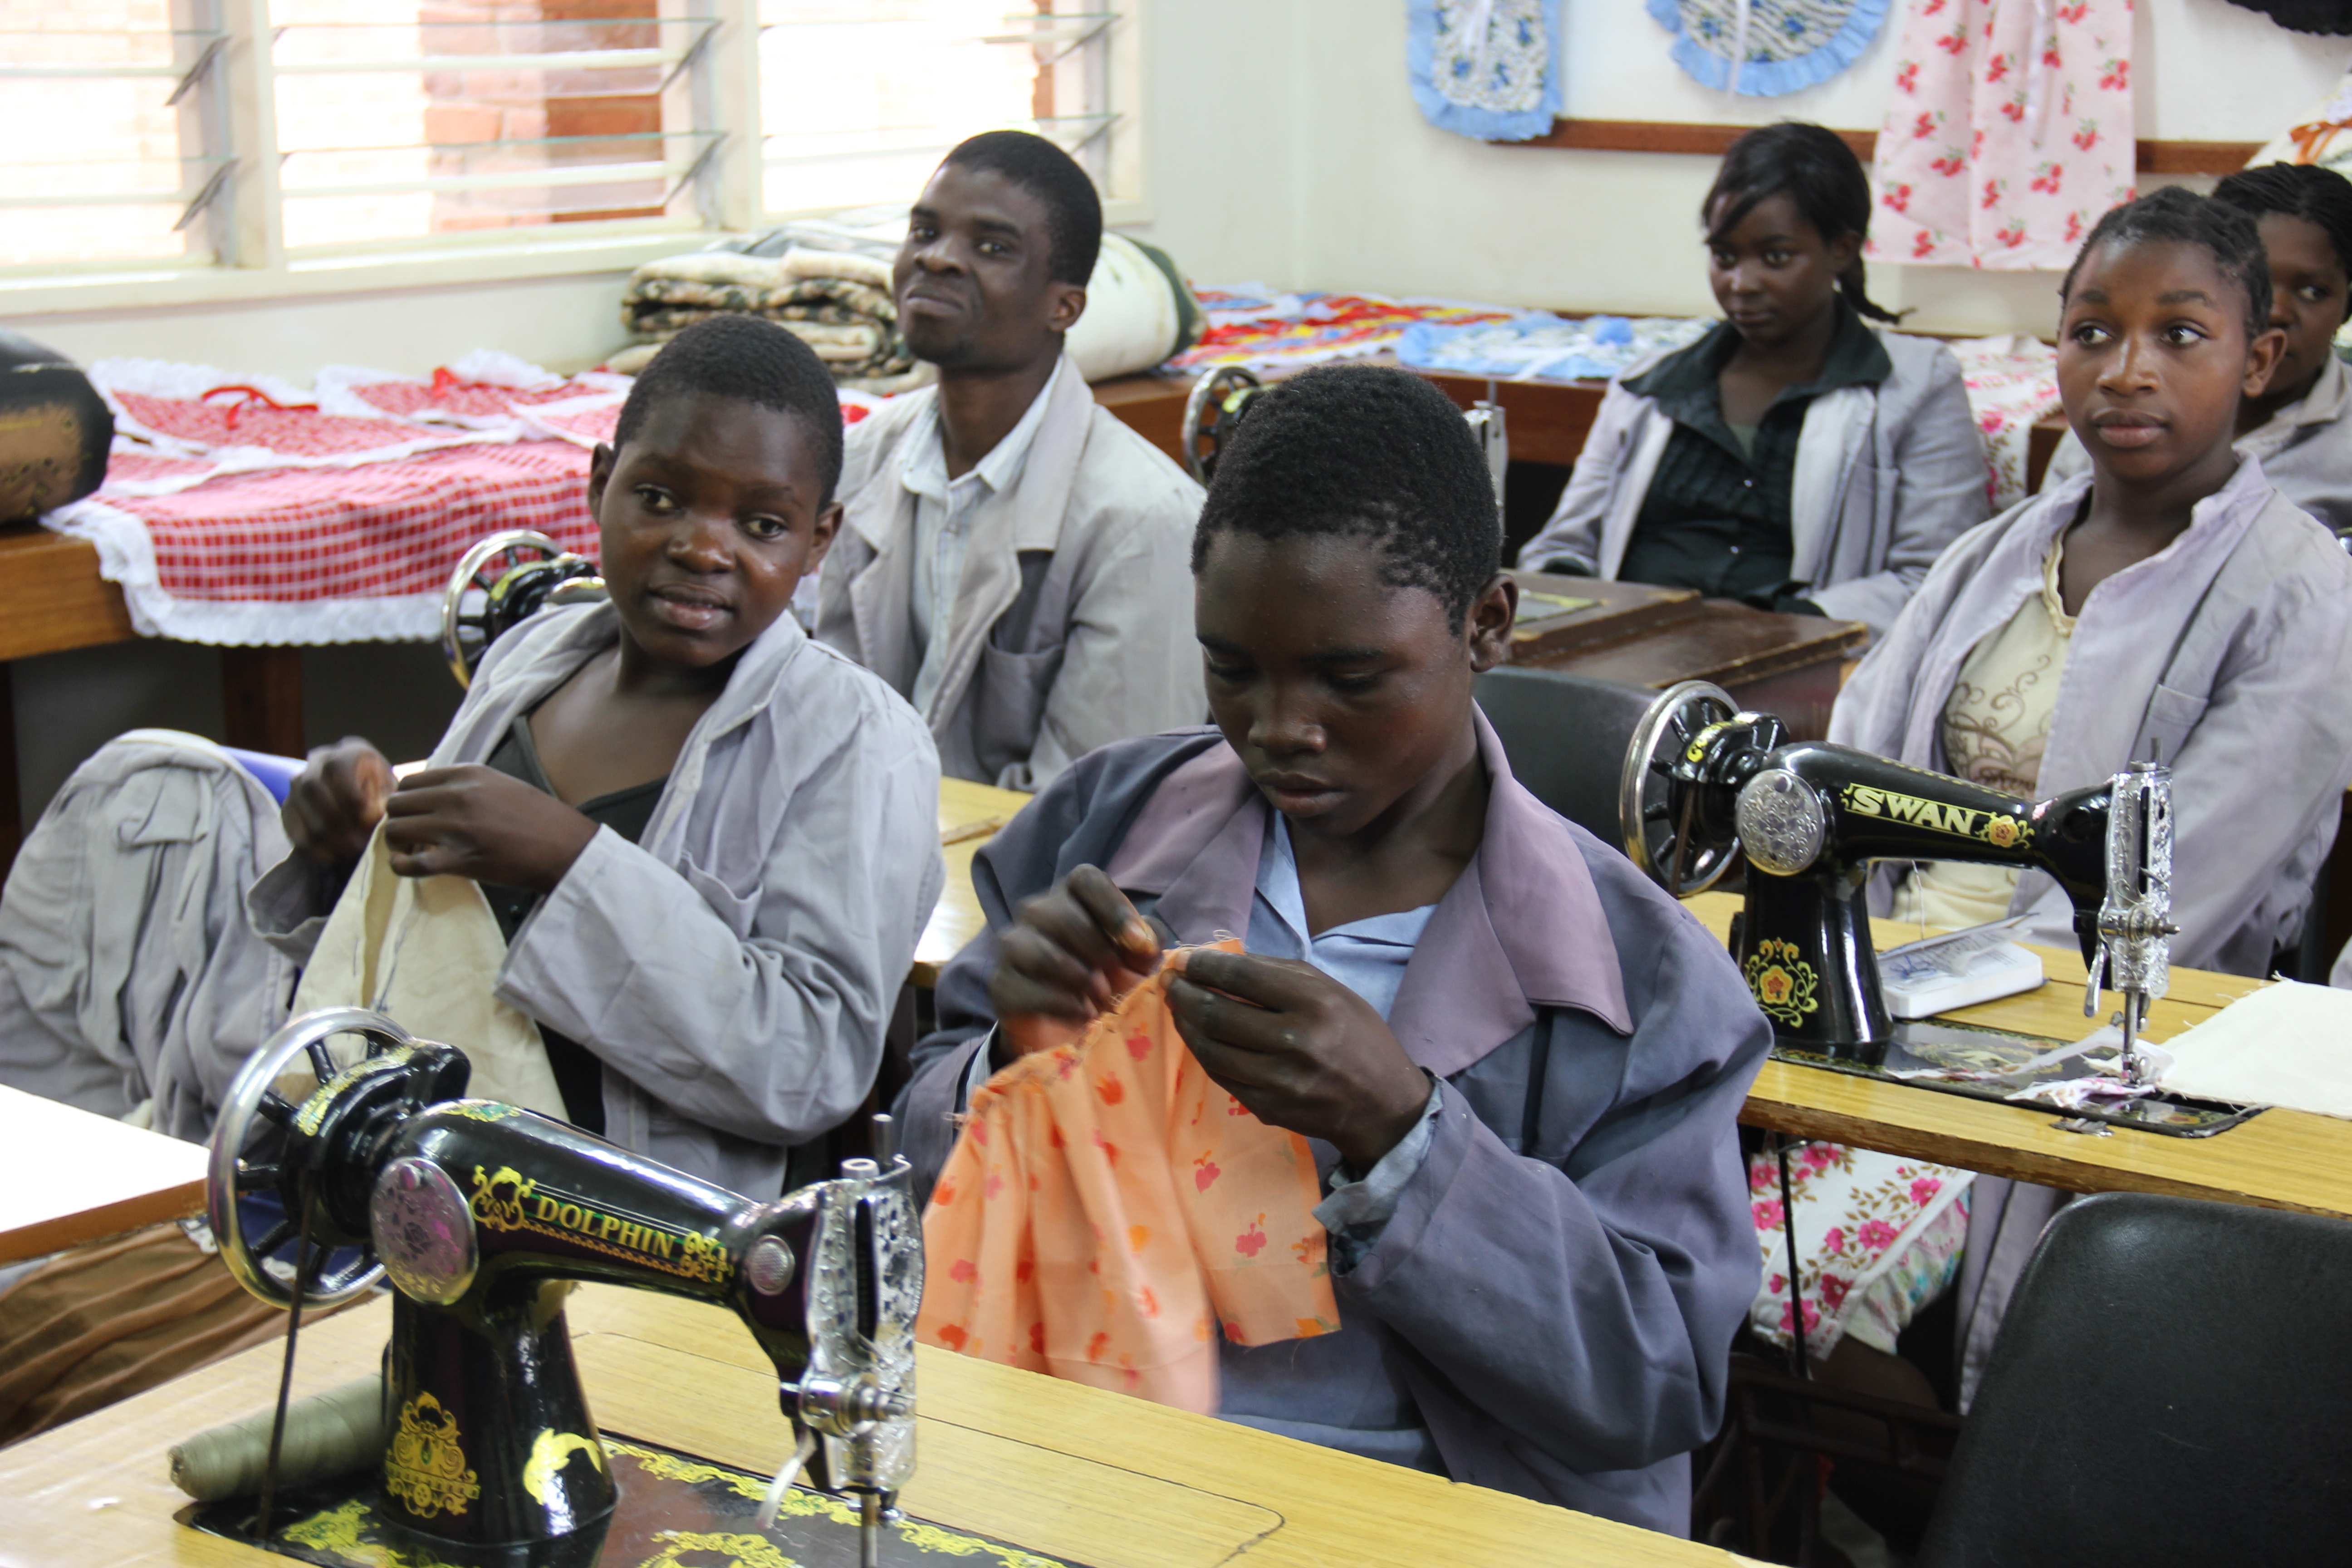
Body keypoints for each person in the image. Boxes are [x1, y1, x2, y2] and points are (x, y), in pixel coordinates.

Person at [0, 317, 942, 1439]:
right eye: (660, 499)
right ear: (600, 482)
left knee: (132, 1420)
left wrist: (566, 857)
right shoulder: (533, 659)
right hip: (392, 1186)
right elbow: (444, 966)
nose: (704, 546)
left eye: (761, 522)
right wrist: (345, 855)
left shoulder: (854, 741)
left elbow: (811, 1059)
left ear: (821, 538)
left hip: (586, 1260)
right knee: (48, 1336)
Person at [895, 363, 1772, 1535]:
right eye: (1232, 668)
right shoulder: (1104, 824)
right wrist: (1008, 1050)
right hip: (1088, 1455)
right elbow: (914, 1180)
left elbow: (1655, 1379)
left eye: (1349, 679)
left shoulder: (1642, 980)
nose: (1279, 728)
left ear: (1489, 625)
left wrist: (1405, 1135)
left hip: (1422, 1512)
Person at [1795, 187, 2352, 1471]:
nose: (2127, 370)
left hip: (2101, 1032)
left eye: (2179, 335)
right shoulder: (1991, 556)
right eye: (2092, 331)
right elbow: (1853, 776)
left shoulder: (2302, 600)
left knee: (1775, 1278)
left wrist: (1896, 1011)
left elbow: (2172, 890)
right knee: (1646, 1204)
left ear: (2257, 361)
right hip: (1882, 1000)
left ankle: (1949, 1506)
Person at [815, 130, 1204, 790]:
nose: (938, 260)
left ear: (1064, 306)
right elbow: (822, 721)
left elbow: (1100, 810)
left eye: (992, 248)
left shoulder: (1147, 524)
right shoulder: (858, 462)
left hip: (1030, 882)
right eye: (924, 231)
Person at [1517, 122, 1989, 637]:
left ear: (1842, 249)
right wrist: (1577, 615)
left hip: (1803, 666)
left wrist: (1789, 631)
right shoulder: (1647, 386)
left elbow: (1936, 578)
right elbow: (1561, 548)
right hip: (1626, 656)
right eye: (1724, 256)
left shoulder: (1918, 385)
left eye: (1776, 257)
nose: (1741, 284)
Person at [2043, 161, 2352, 535]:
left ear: (2346, 306)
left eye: (2313, 292)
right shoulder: (2123, 405)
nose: (2275, 310)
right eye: (2255, 283)